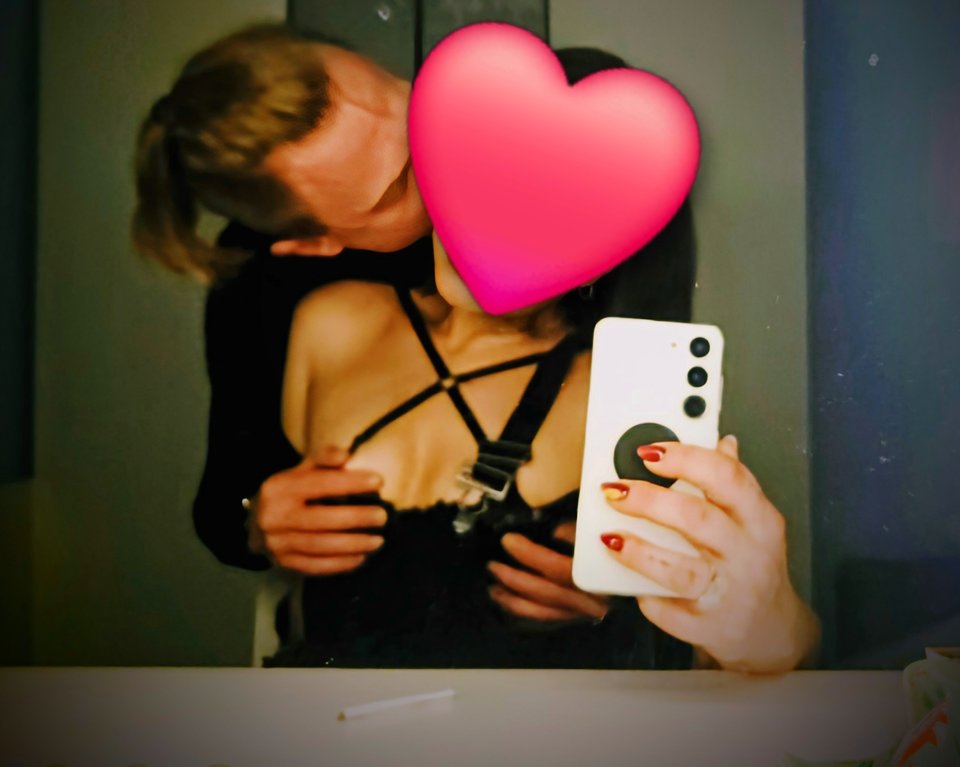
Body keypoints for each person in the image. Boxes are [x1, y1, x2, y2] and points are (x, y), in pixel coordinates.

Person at [132, 24, 819, 671]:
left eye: (410, 106)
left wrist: (623, 584)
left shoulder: (517, 138)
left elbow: (654, 403)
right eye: (400, 184)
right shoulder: (279, 293)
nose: (445, 161)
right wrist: (257, 518)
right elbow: (223, 497)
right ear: (314, 242)